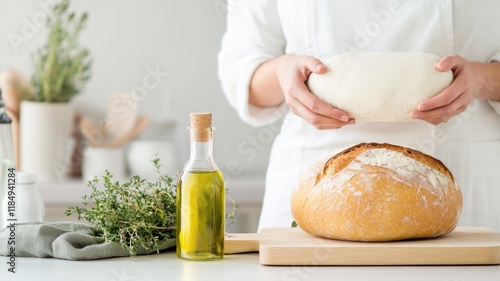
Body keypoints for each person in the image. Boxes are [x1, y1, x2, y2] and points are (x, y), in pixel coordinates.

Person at [218, 0, 500, 232]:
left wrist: (482, 80)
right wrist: (283, 74)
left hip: (457, 178)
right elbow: (241, 65)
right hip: (320, 182)